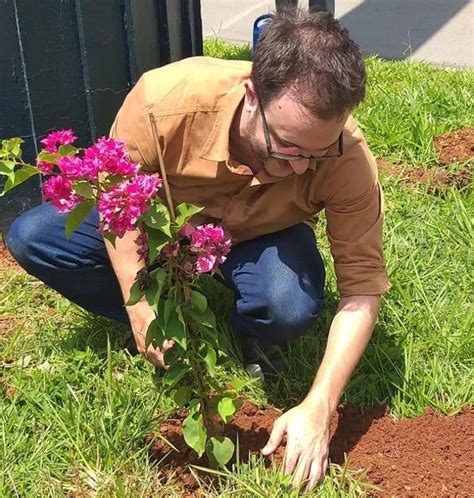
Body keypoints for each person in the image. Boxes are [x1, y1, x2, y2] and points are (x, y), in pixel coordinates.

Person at [6, 9, 389, 490]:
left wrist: (320, 404)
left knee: (287, 304)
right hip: (165, 227)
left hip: (263, 235)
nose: (298, 169)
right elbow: (118, 205)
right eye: (287, 147)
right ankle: (165, 310)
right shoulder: (162, 102)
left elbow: (362, 292)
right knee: (35, 237)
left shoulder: (346, 156)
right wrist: (141, 310)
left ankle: (251, 331)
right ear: (253, 95)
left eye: (317, 154)